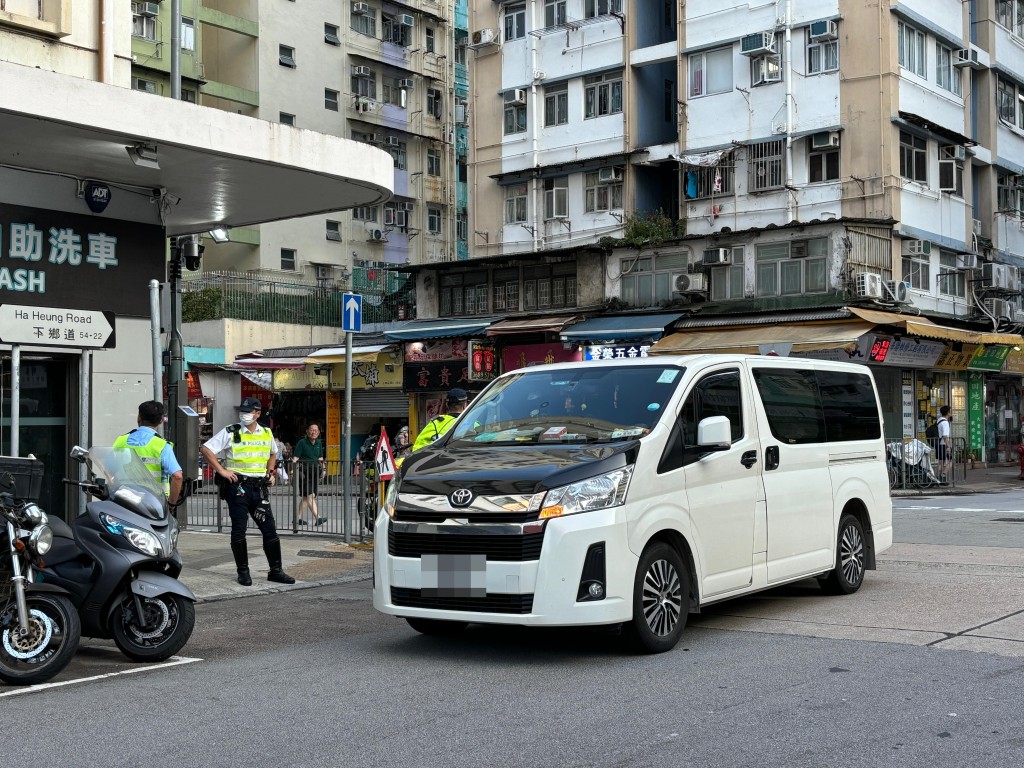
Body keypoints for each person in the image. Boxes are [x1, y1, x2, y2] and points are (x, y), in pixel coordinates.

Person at [199, 397, 295, 586]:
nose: (244, 414)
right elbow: (206, 449)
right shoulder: (231, 431)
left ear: (258, 414)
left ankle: (276, 571)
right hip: (238, 488)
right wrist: (221, 470)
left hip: (259, 488)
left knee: (269, 530)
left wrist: (270, 473)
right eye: (242, 411)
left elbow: (273, 453)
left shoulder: (266, 432)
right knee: (239, 530)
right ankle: (243, 572)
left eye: (248, 411)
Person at [113, 400, 183, 508]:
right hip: (154, 503)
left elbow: (108, 469)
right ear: (161, 421)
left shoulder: (120, 440)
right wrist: (172, 504)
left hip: (124, 501)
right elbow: (177, 477)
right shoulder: (162, 445)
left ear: (139, 418)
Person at [292, 423, 326, 526]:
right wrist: (292, 473)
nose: (313, 432)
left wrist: (323, 470)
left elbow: (320, 458)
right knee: (310, 495)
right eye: (311, 430)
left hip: (315, 473)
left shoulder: (319, 443)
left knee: (308, 497)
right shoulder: (302, 442)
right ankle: (318, 517)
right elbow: (295, 458)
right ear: (307, 431)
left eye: (316, 430)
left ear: (319, 433)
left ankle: (297, 519)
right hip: (304, 473)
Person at [937, 404, 953, 483]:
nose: (951, 413)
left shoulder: (939, 420)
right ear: (948, 413)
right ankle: (943, 476)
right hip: (944, 444)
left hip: (939, 444)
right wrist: (949, 446)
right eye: (950, 412)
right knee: (951, 462)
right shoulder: (945, 423)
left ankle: (937, 479)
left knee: (940, 462)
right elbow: (946, 436)